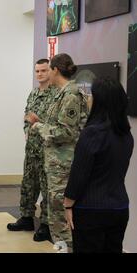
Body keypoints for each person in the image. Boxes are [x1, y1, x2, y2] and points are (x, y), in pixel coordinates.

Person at [64, 78, 133, 253]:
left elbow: (79, 175)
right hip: (119, 208)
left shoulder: (92, 133)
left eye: (91, 95)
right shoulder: (126, 134)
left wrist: (68, 205)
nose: (88, 98)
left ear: (99, 101)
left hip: (90, 210)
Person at [30, 53, 89, 252]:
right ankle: (62, 245)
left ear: (55, 70)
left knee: (60, 212)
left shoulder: (70, 95)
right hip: (56, 164)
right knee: (55, 210)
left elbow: (66, 132)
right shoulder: (61, 93)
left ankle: (67, 247)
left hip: (64, 166)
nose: (46, 74)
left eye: (48, 70)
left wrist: (39, 127)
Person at [7, 59, 55, 242]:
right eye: (37, 71)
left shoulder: (56, 95)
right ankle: (26, 218)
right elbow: (27, 117)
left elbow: (53, 124)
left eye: (43, 70)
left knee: (46, 187)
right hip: (31, 149)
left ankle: (45, 224)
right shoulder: (33, 94)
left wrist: (37, 122)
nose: (40, 74)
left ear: (51, 71)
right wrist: (28, 130)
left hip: (47, 151)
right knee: (28, 185)